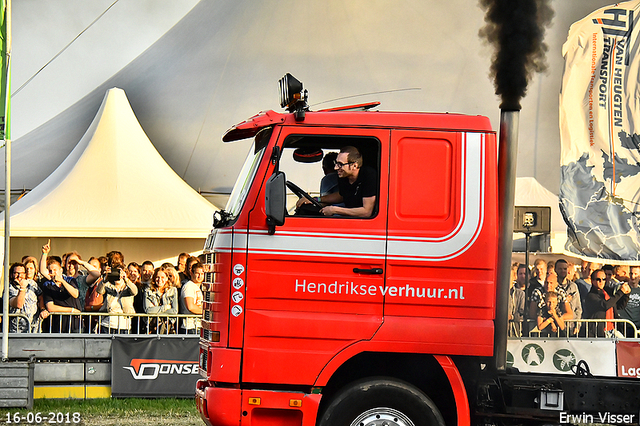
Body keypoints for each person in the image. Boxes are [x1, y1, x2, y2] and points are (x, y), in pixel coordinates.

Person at [297, 146, 377, 218]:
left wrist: (334, 210)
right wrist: (315, 199)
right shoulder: (344, 176)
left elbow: (366, 212)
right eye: (336, 163)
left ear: (354, 165)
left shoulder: (369, 176)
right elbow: (341, 196)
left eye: (340, 164)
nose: (335, 168)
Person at [39, 240, 82, 333]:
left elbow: (75, 294)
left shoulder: (70, 280)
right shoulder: (48, 285)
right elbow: (50, 307)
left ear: (61, 270)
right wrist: (44, 254)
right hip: (58, 325)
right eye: (50, 271)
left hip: (75, 325)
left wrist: (62, 281)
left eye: (55, 270)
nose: (53, 272)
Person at [583, 269, 631, 337]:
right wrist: (620, 292)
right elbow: (605, 305)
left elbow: (620, 306)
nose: (601, 281)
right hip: (599, 332)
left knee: (625, 345)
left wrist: (626, 294)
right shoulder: (591, 296)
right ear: (592, 281)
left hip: (612, 330)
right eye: (598, 279)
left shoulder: (607, 292)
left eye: (603, 279)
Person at [97, 265, 138, 334]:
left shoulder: (128, 288)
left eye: (119, 272)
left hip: (124, 326)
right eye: (116, 272)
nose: (118, 275)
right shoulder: (108, 286)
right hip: (107, 324)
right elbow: (99, 291)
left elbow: (135, 291)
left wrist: (126, 278)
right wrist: (105, 279)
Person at [144, 266, 179, 333]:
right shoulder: (148, 291)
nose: (159, 280)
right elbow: (148, 310)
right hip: (152, 327)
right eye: (157, 277)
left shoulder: (173, 290)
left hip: (168, 327)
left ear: (166, 279)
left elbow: (174, 311)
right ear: (154, 278)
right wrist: (165, 307)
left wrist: (155, 309)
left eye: (162, 277)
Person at [8, 263, 41, 333]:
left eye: (22, 273)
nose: (19, 276)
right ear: (11, 274)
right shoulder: (9, 288)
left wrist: (43, 308)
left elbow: (41, 296)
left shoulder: (32, 283)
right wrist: (22, 288)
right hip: (17, 331)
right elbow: (18, 304)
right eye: (16, 273)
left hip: (34, 328)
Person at [555, 259, 582, 335]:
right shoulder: (552, 285)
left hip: (571, 328)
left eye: (565, 269)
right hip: (557, 327)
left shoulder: (573, 286)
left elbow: (578, 308)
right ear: (555, 270)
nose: (563, 271)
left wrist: (578, 325)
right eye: (560, 269)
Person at [179, 262, 204, 334]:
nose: (200, 276)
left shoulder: (198, 287)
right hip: (190, 327)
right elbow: (190, 307)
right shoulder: (189, 286)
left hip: (197, 325)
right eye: (197, 273)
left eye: (202, 274)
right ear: (191, 273)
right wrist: (207, 313)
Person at [618, 265, 640, 337]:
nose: (633, 276)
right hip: (624, 325)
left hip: (637, 326)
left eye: (635, 274)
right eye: (631, 273)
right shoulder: (622, 287)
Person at [508, 267, 525, 337]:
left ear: (514, 277)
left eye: (509, 275)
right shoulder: (497, 293)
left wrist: (511, 317)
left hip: (515, 333)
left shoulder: (520, 294)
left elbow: (522, 312)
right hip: (500, 333)